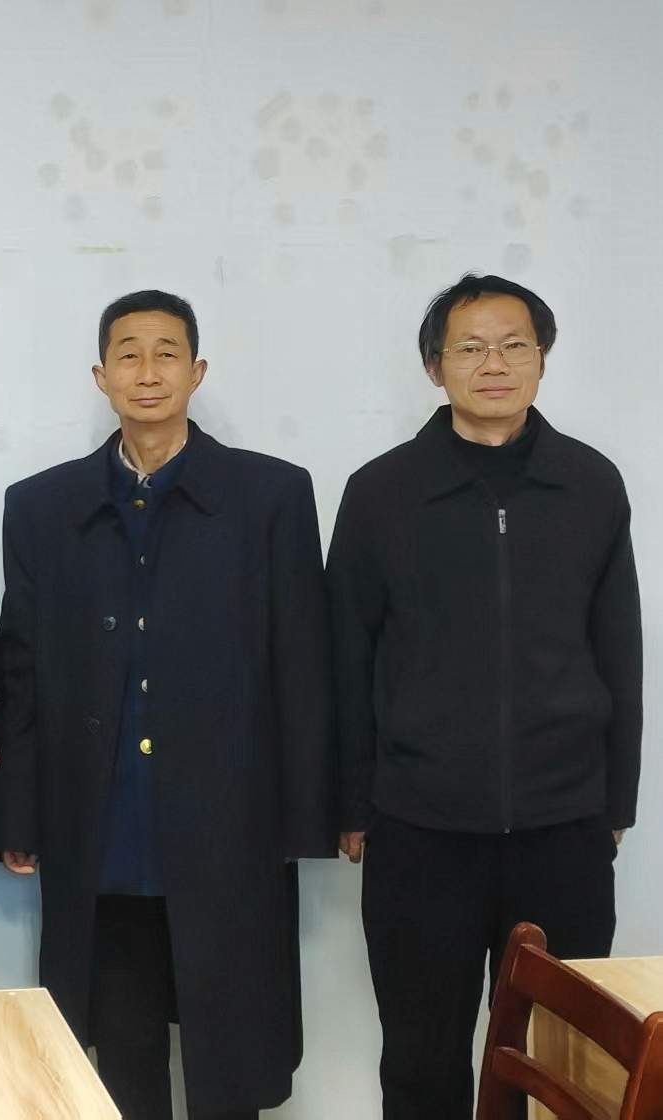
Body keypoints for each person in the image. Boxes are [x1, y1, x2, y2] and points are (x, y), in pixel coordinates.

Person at [0, 289, 335, 1120]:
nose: (148, 372)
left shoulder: (271, 495)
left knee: (231, 1051)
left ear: (197, 371)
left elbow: (303, 663)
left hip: (230, 823)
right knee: (121, 1049)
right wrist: (17, 816)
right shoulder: (41, 505)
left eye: (167, 353)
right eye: (129, 355)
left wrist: (309, 817)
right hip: (105, 825)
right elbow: (20, 666)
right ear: (100, 375)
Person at [327, 273, 642, 1119]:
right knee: (421, 1056)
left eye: (513, 345)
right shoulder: (381, 492)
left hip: (564, 828)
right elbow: (346, 656)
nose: (493, 363)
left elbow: (620, 649)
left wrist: (615, 800)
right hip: (419, 830)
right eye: (470, 347)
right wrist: (352, 803)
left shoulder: (590, 483)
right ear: (435, 367)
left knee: (565, 1063)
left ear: (542, 358)